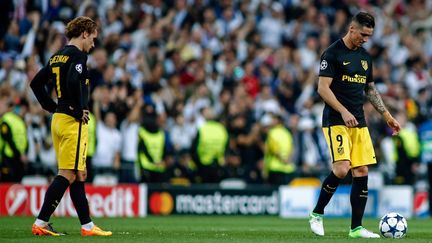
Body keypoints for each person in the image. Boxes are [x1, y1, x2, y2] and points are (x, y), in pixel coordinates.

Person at [309, 12, 401, 238]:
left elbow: (370, 89)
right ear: (352, 28)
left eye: (369, 36)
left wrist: (387, 115)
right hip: (336, 120)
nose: (365, 39)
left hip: (358, 122)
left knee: (361, 170)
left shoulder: (365, 57)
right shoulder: (332, 53)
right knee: (342, 168)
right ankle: (317, 214)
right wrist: (343, 110)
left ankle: (356, 228)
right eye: (362, 34)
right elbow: (322, 89)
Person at [30, 16, 112, 236]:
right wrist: (77, 110)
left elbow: (36, 83)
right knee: (67, 173)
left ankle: (87, 226)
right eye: (93, 38)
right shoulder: (78, 56)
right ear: (84, 33)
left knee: (78, 173)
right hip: (72, 122)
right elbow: (72, 82)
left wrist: (52, 107)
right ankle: (41, 222)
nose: (93, 44)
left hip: (59, 119)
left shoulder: (57, 56)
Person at [0, 88, 28, 182]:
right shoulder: (9, 119)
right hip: (9, 156)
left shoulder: (18, 120)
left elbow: (24, 139)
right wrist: (21, 154)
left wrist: (22, 154)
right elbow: (8, 138)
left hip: (15, 157)